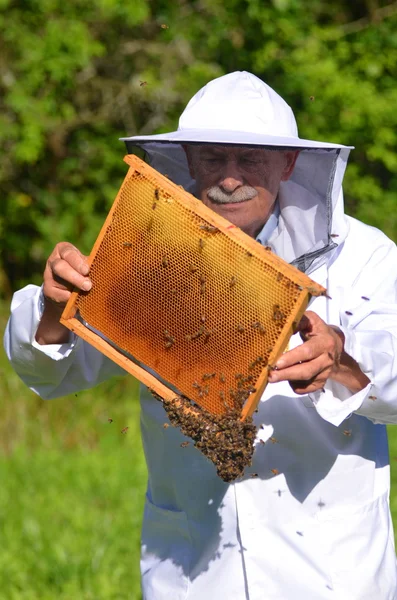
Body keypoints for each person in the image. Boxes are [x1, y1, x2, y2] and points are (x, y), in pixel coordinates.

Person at [4, 71, 397, 599]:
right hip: (194, 566)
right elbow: (51, 370)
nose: (229, 178)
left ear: (288, 163)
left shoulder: (363, 256)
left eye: (250, 159)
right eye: (213, 157)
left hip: (331, 571)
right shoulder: (146, 248)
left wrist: (342, 365)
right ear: (189, 161)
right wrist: (55, 307)